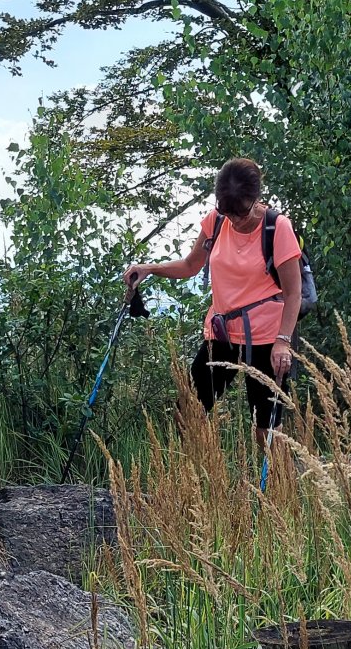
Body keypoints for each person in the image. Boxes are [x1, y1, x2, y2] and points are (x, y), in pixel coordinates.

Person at [123, 157, 303, 445]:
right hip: (221, 334)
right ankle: (201, 469)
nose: (234, 219)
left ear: (255, 198)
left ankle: (283, 476)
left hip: (267, 338)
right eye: (226, 211)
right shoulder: (217, 221)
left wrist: (282, 341)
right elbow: (190, 265)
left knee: (266, 431)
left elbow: (294, 292)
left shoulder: (277, 228)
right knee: (188, 412)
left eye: (241, 212)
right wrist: (150, 268)